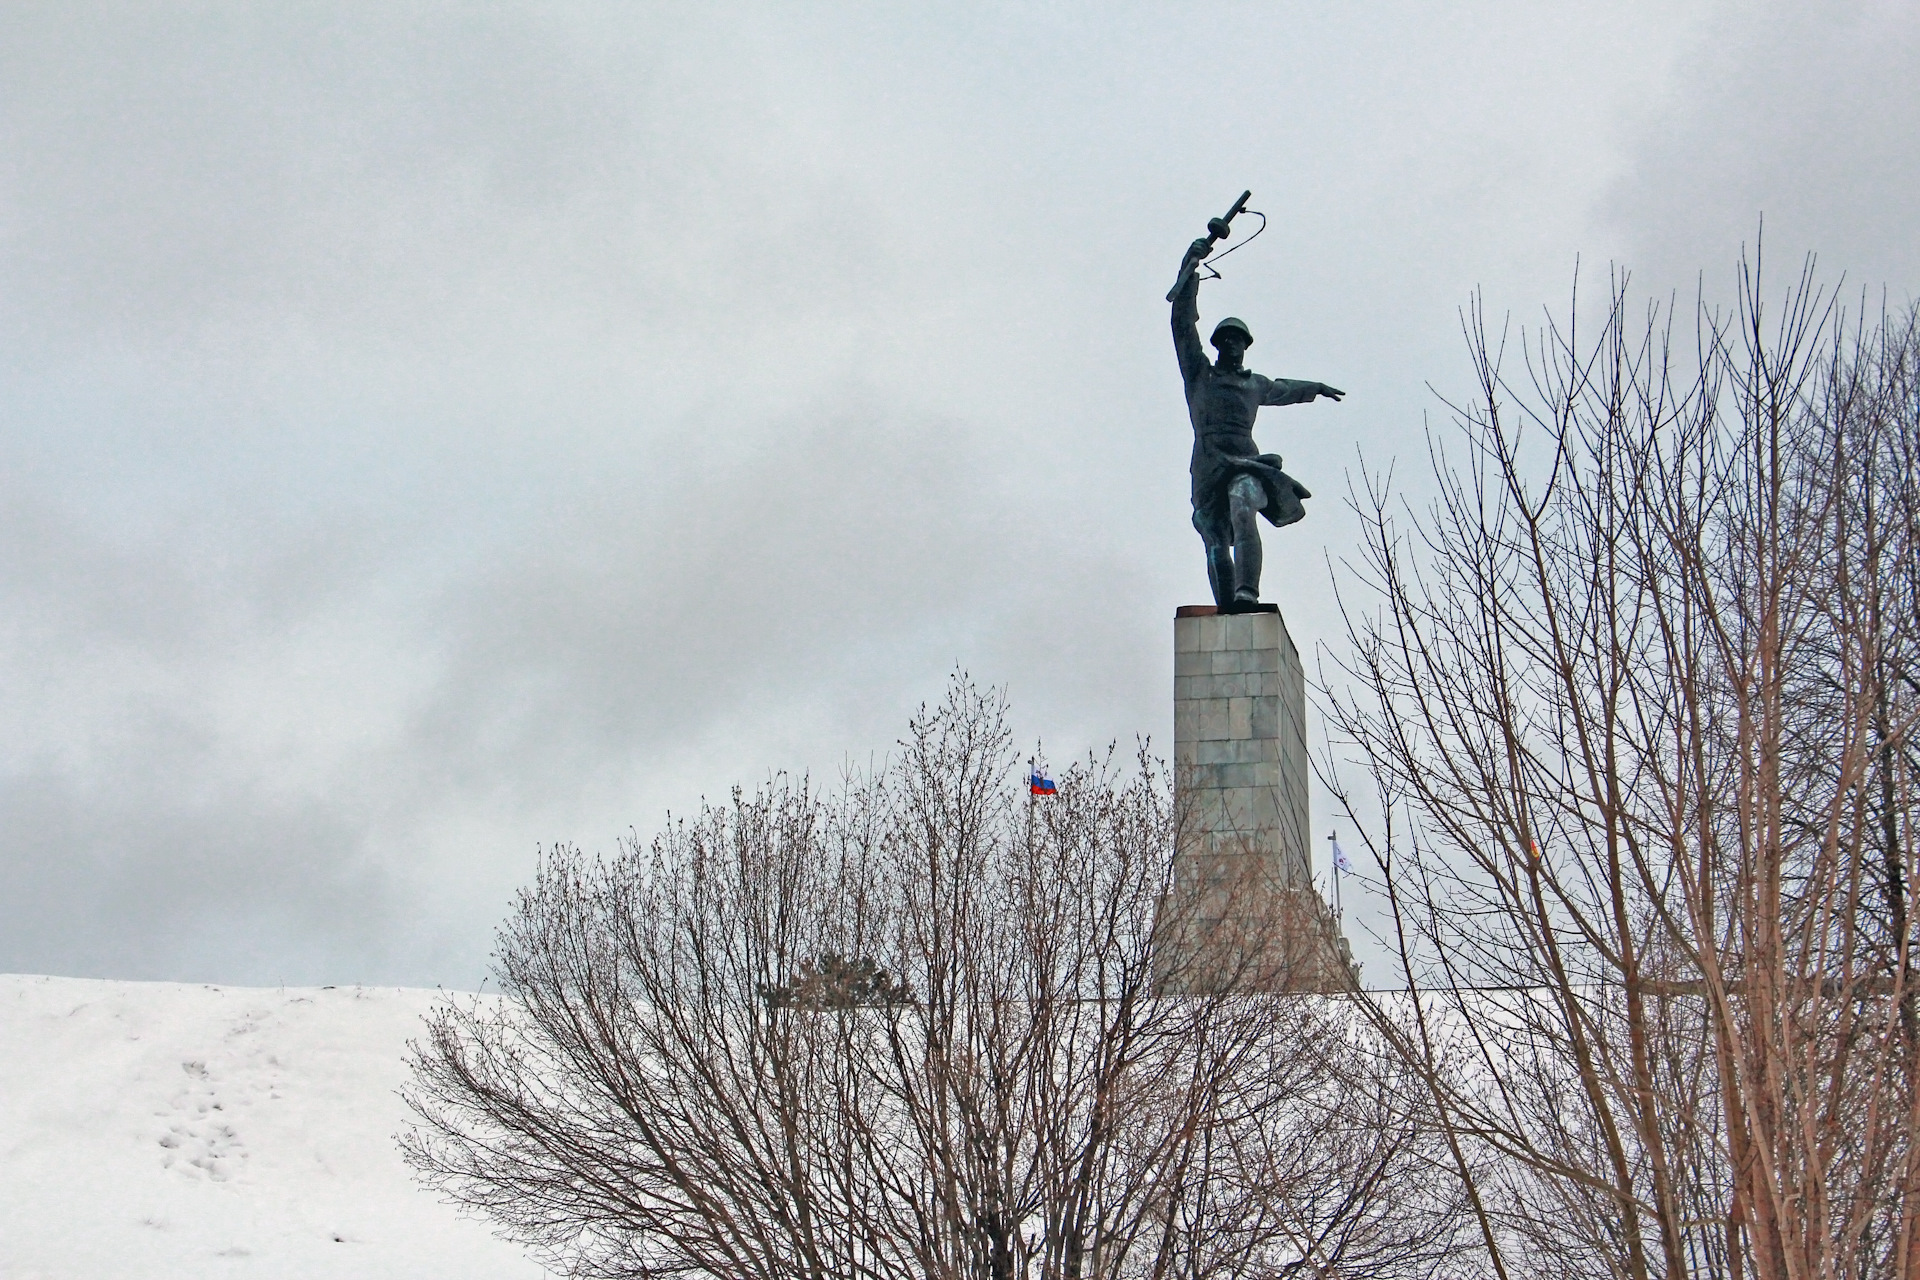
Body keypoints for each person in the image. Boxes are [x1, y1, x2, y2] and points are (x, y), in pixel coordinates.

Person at [1172, 237, 1343, 611]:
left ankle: (1247, 591)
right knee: (1215, 539)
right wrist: (1191, 264)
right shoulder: (1200, 376)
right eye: (1226, 339)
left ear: (1246, 346)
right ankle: (1228, 608)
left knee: (1243, 503)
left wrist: (1315, 387)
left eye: (1239, 340)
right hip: (1207, 465)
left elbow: (1283, 388)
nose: (1232, 345)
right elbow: (1182, 325)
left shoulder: (1254, 383)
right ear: (1217, 344)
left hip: (1246, 463)